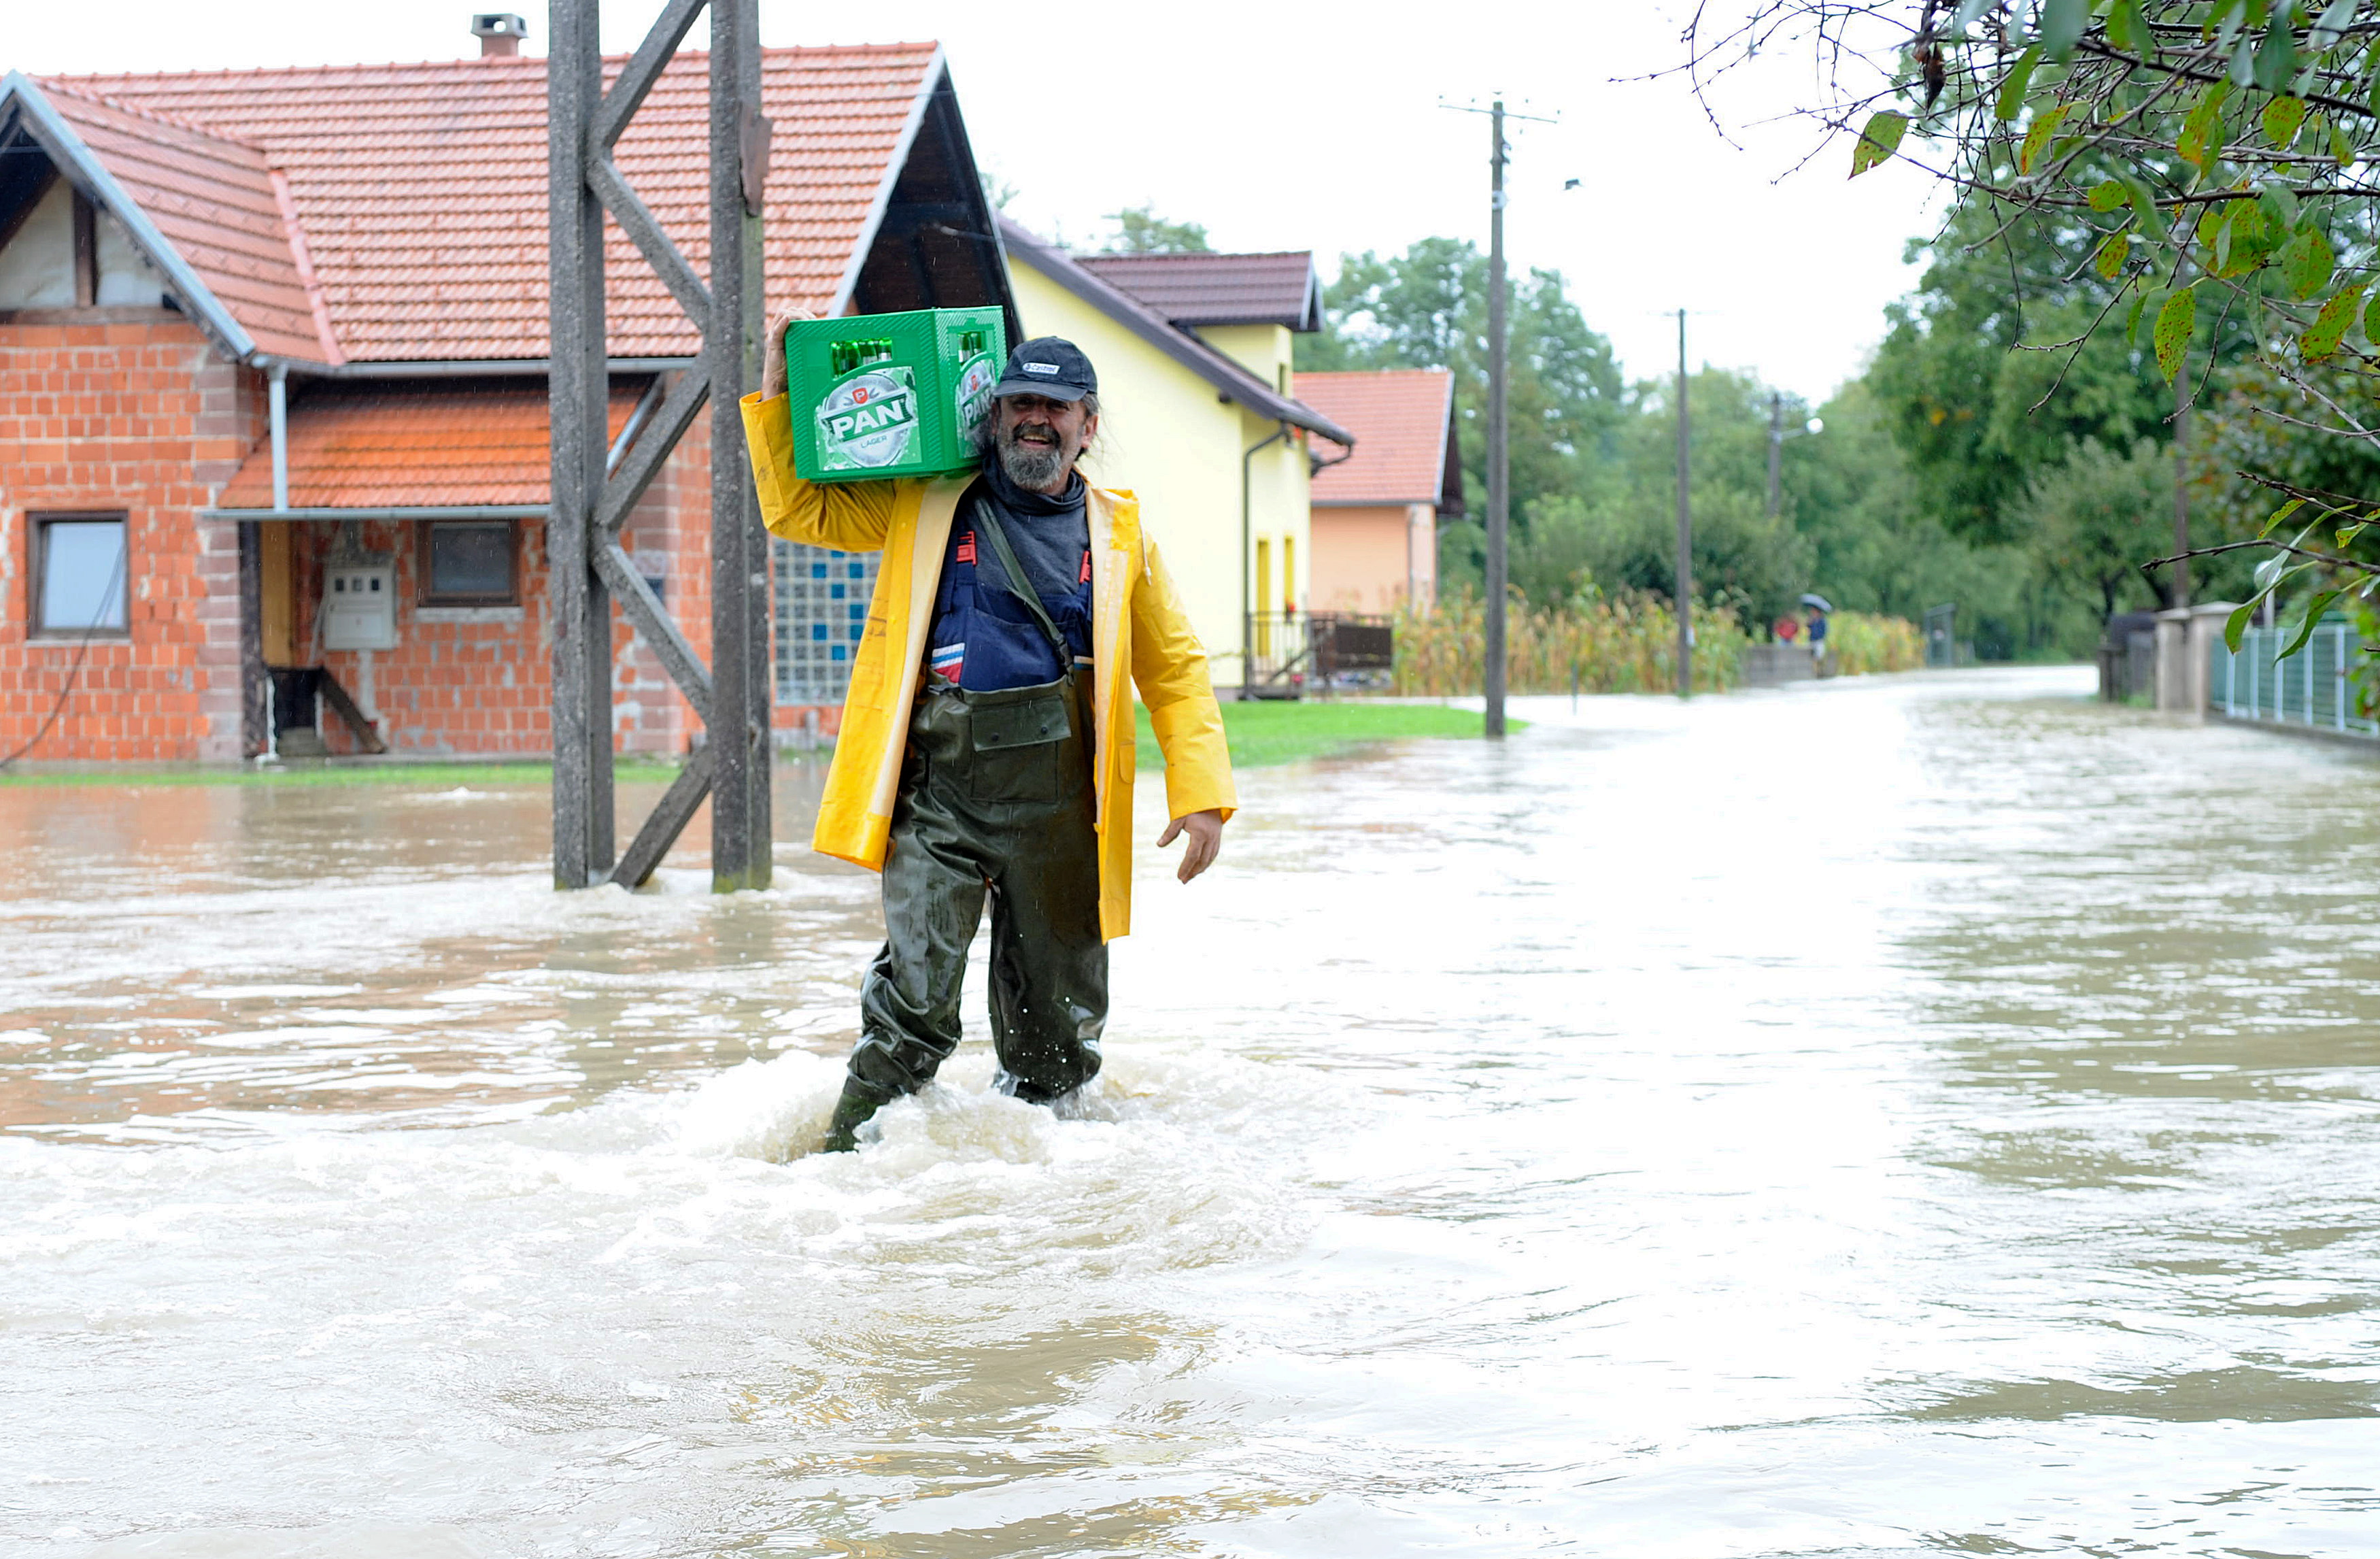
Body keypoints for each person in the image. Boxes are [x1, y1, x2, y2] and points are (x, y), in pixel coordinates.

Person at [742, 316, 1236, 1152]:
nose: (1033, 419)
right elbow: (797, 508)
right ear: (992, 414)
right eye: (1018, 404)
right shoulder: (927, 499)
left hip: (1062, 817)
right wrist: (780, 388)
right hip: (937, 804)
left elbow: (1176, 669)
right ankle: (840, 1174)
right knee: (913, 1006)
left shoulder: (1121, 536)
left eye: (1053, 406)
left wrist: (1202, 799)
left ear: (1088, 424)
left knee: (1057, 1038)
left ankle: (1037, 1194)